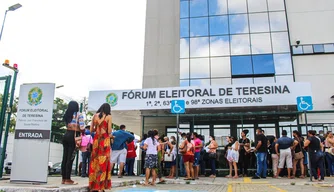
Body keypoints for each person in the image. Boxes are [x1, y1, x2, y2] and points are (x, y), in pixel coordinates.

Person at [89, 103, 112, 191]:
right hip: (104, 140)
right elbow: (109, 130)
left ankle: (93, 186)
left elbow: (91, 130)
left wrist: (97, 127)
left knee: (94, 161)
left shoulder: (95, 116)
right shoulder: (109, 116)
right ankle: (101, 187)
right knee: (104, 161)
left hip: (96, 140)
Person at [61, 101, 80, 185]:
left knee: (64, 158)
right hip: (73, 136)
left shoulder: (66, 115)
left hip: (66, 135)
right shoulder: (78, 115)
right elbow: (82, 127)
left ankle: (63, 178)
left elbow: (67, 125)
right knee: (70, 157)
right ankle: (68, 179)